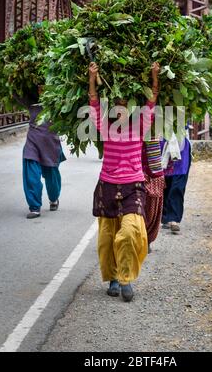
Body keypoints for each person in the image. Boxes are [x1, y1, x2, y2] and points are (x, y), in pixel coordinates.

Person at [88, 61, 160, 302]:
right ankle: (113, 278)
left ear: (132, 106)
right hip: (108, 186)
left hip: (133, 187)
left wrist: (154, 76)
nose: (121, 108)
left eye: (125, 104)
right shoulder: (105, 127)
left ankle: (127, 278)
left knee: (130, 232)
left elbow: (153, 100)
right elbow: (94, 104)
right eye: (117, 104)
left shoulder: (140, 126)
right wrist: (92, 77)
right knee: (108, 237)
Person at [15, 89, 66, 219]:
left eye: (44, 85)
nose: (41, 87)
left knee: (52, 176)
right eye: (37, 86)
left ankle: (54, 198)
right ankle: (35, 207)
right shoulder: (31, 102)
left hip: (51, 144)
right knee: (31, 174)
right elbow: (15, 92)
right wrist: (12, 82)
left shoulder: (58, 101)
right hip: (32, 142)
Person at [161, 128, 191, 233]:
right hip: (161, 143)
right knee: (164, 183)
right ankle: (164, 216)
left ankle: (173, 219)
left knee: (178, 185)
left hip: (180, 145)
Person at [142, 139, 165, 252]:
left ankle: (146, 239)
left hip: (153, 170)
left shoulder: (154, 127)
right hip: (134, 169)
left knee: (152, 211)